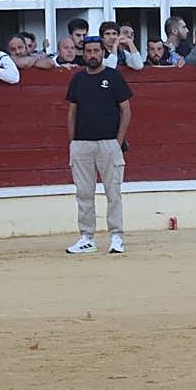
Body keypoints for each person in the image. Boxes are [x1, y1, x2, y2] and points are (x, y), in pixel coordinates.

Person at [65, 33, 132, 255]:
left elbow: (126, 110)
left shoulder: (114, 77)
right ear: (83, 54)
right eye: (88, 51)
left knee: (113, 193)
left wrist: (117, 142)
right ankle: (86, 237)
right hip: (82, 144)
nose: (92, 55)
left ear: (103, 53)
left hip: (108, 143)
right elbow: (72, 112)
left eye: (96, 51)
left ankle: (116, 236)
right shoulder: (78, 79)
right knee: (84, 193)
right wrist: (73, 142)